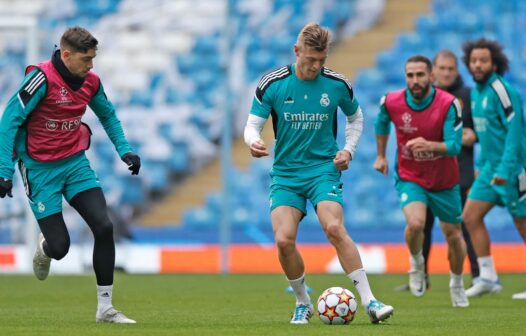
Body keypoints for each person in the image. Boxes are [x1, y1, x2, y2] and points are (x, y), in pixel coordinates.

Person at [244, 23, 394, 324]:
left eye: (321, 60)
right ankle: (303, 302)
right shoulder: (272, 84)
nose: (316, 66)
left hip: (323, 170)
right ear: (296, 51)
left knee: (334, 227)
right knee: (284, 240)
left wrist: (348, 150)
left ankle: (371, 301)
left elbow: (356, 119)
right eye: (311, 59)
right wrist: (254, 141)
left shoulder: (337, 85)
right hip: (286, 174)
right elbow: (252, 125)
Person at [0, 27, 140, 322]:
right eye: (86, 59)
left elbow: (108, 114)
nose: (91, 66)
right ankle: (45, 247)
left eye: (93, 59)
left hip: (75, 164)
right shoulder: (40, 79)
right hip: (40, 170)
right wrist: (4, 171)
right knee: (60, 248)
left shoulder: (91, 82)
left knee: (103, 227)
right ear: (66, 55)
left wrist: (124, 150)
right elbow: (9, 120)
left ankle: (106, 308)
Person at [374, 55, 469, 307]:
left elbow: (455, 146)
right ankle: (417, 264)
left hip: (444, 181)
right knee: (416, 223)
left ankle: (457, 283)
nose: (415, 80)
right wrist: (381, 156)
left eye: (420, 75)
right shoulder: (391, 101)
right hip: (410, 177)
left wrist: (430, 146)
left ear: (431, 77)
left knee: (453, 235)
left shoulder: (448, 104)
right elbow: (381, 122)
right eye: (410, 75)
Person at [395, 50, 480, 292]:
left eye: (450, 69)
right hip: (423, 174)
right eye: (441, 68)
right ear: (434, 73)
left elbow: (478, 131)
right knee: (422, 225)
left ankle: (477, 277)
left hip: (458, 172)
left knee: (462, 227)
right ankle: (422, 277)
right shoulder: (423, 98)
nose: (445, 73)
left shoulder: (465, 97)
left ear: (457, 72)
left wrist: (469, 137)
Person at [461, 38, 526, 299]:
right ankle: (487, 277)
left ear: (494, 64)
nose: (477, 65)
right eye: (474, 60)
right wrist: (482, 165)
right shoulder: (475, 93)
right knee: (470, 216)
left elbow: (514, 133)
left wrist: (506, 169)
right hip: (488, 169)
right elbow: (488, 134)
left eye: (483, 60)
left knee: (522, 223)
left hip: (512, 170)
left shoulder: (503, 90)